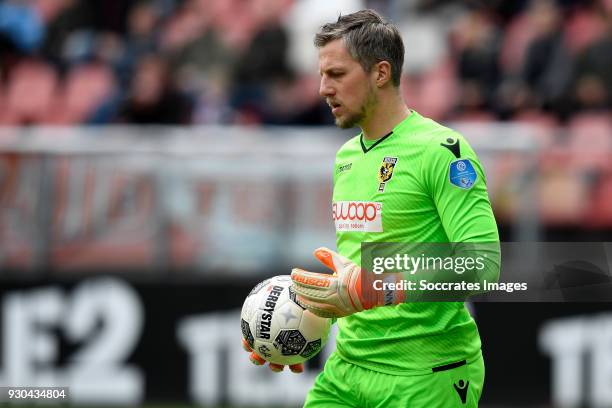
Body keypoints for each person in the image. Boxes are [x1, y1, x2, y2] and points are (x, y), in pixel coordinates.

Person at [244, 9, 500, 407]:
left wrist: (376, 289)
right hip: (348, 369)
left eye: (337, 75)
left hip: (426, 375)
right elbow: (358, 276)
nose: (323, 89)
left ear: (380, 73)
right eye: (321, 75)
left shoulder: (442, 152)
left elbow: (482, 266)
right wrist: (295, 326)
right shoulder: (347, 156)